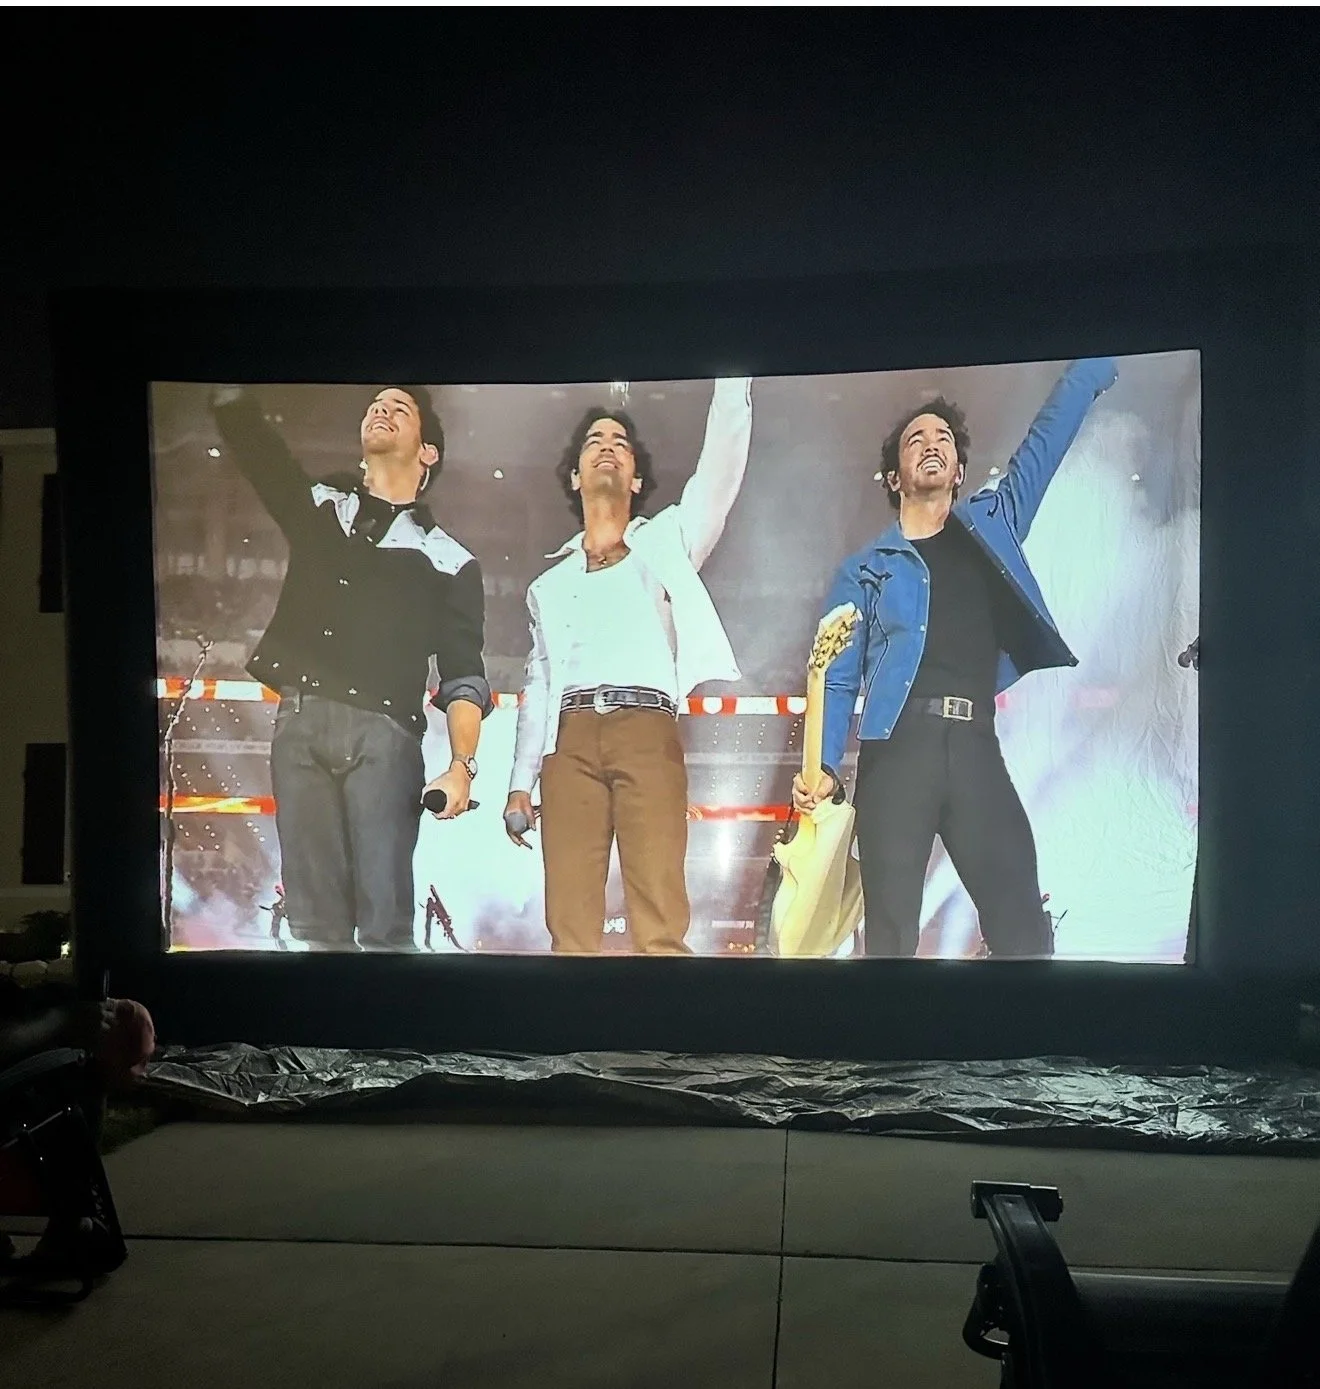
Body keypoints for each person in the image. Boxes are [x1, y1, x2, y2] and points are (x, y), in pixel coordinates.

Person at [794, 358, 1118, 958]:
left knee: (1020, 918)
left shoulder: (993, 525)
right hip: (897, 753)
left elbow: (1045, 443)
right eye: (915, 438)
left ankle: (1033, 1019)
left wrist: (1092, 368)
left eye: (943, 437)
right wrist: (825, 767)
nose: (931, 443)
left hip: (974, 746)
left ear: (960, 470)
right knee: (890, 931)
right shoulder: (864, 570)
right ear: (895, 477)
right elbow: (834, 678)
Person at [209, 386, 492, 952]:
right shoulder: (320, 507)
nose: (381, 410)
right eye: (375, 406)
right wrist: (229, 392)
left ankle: (389, 1010)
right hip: (301, 721)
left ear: (428, 452)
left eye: (400, 408)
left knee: (386, 922)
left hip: (385, 734)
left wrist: (462, 766)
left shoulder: (449, 559)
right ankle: (325, 1009)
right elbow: (263, 457)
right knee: (315, 923)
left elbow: (463, 672)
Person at [504, 378, 753, 954]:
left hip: (646, 729)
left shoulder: (668, 542)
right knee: (570, 925)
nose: (607, 447)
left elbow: (719, 471)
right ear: (575, 475)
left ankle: (662, 1014)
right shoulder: (549, 585)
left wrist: (733, 378)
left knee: (660, 917)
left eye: (621, 442)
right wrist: (520, 783)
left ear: (637, 478)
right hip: (568, 742)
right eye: (594, 441)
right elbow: (539, 684)